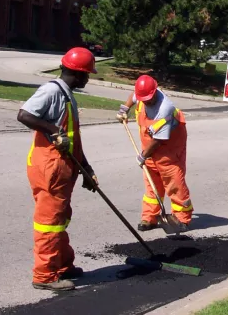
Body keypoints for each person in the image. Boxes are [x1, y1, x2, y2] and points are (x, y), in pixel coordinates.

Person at [17, 47, 100, 291]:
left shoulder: (66, 94)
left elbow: (72, 138)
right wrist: (53, 131)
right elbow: (24, 115)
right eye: (87, 74)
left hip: (63, 167)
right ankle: (44, 276)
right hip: (50, 169)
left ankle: (63, 265)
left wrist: (86, 168)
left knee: (60, 219)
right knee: (49, 222)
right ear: (78, 73)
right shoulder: (52, 91)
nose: (88, 78)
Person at [116, 75, 193, 232]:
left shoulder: (165, 109)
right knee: (151, 183)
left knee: (174, 184)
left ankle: (182, 218)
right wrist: (125, 108)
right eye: (143, 99)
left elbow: (158, 140)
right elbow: (134, 96)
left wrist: (143, 156)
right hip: (149, 148)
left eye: (149, 99)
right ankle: (149, 217)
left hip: (168, 150)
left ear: (155, 92)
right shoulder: (143, 93)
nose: (146, 102)